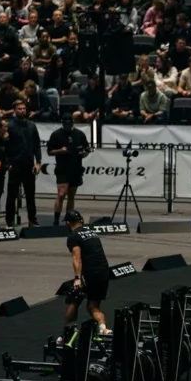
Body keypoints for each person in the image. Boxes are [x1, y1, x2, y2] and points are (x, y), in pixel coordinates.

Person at [60, 211, 112, 343]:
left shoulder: (73, 237)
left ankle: (65, 336)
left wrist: (77, 278)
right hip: (103, 271)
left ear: (68, 223)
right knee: (93, 306)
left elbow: (76, 257)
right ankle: (104, 329)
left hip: (90, 273)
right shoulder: (91, 232)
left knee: (74, 300)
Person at [46, 116, 90, 226]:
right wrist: (60, 151)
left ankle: (69, 219)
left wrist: (85, 153)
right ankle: (56, 219)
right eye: (66, 125)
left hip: (76, 168)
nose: (68, 126)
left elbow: (86, 148)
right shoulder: (56, 134)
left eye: (69, 124)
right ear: (62, 124)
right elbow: (49, 152)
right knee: (61, 194)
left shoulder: (79, 134)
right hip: (62, 168)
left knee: (71, 196)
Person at [6, 100, 42, 227]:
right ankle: (9, 221)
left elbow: (37, 145)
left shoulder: (31, 125)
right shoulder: (9, 125)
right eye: (19, 109)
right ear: (14, 110)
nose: (22, 111)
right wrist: (7, 162)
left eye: (23, 108)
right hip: (15, 164)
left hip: (28, 164)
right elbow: (5, 146)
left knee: (30, 194)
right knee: (12, 194)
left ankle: (32, 220)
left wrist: (38, 162)